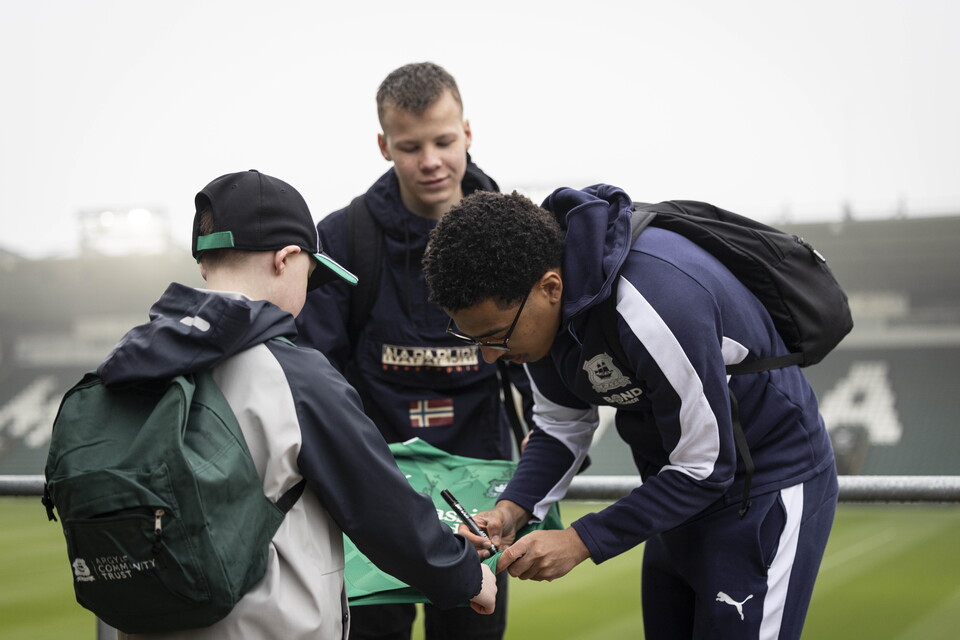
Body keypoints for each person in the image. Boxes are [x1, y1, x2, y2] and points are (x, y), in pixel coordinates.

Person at [421, 187, 839, 640]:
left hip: (764, 488)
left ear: (551, 288)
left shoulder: (653, 301)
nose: (487, 357)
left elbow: (707, 465)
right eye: (475, 340)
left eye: (496, 336)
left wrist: (580, 541)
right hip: (674, 491)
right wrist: (511, 510)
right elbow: (561, 426)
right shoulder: (536, 307)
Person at [108, 169, 496, 640]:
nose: (307, 297)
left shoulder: (126, 359)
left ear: (206, 264)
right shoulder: (295, 375)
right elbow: (382, 508)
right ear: (287, 259)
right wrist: (467, 576)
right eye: (310, 277)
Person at [297, 62, 525, 640]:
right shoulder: (344, 238)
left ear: (467, 134)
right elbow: (312, 371)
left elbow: (540, 345)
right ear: (383, 145)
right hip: (376, 497)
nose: (431, 161)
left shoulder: (520, 230)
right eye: (410, 146)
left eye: (444, 141)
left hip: (481, 500)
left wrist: (541, 427)